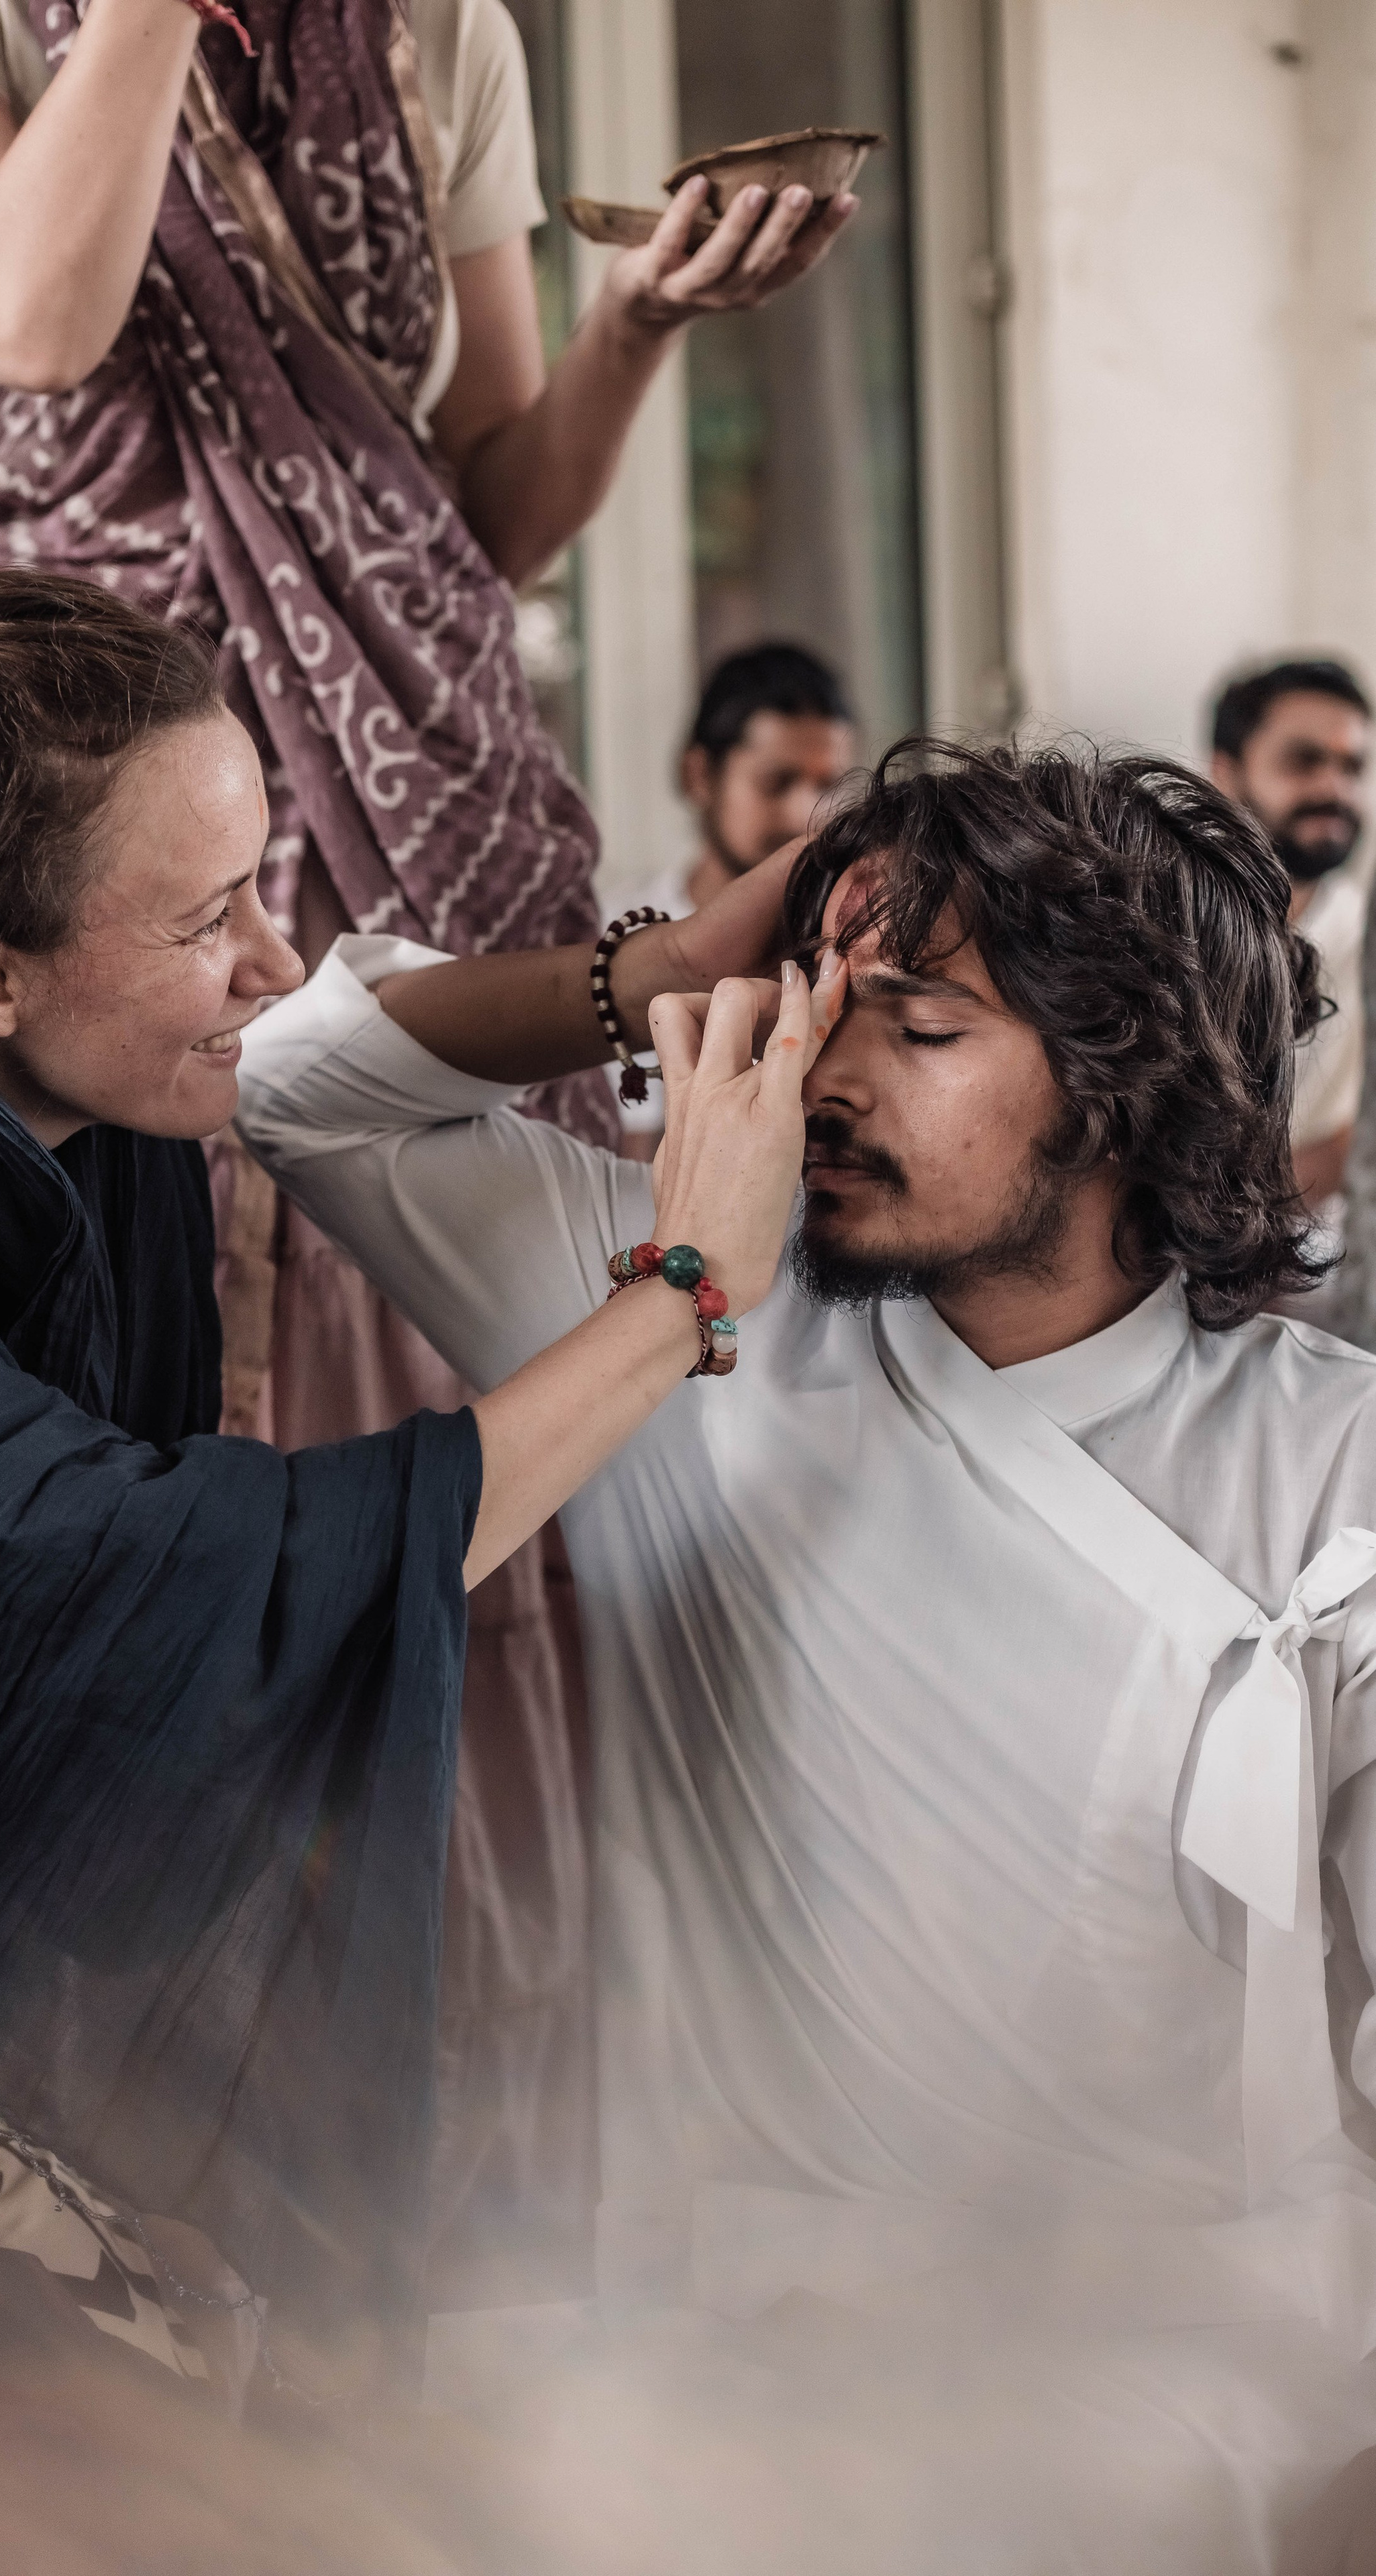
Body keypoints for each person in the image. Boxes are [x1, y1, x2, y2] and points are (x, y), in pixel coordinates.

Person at [0, 562, 834, 2575]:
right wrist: (686, 1284)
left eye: (261, 874)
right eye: (208, 917)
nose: (267, 951)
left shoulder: (39, 1085)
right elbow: (156, 1580)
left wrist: (642, 973)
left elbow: (312, 1034)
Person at [0, 0, 861, 2294]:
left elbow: (478, 509)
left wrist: (631, 326)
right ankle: (151, 2210)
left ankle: (481, 2184)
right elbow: (29, 308)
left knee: (483, 1470)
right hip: (101, 829)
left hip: (423, 809)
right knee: (192, 1462)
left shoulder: (437, 32)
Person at [238, 737, 1376, 2573]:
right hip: (734, 2376)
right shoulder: (676, 1312)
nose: (825, 1076)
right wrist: (676, 966)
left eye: (920, 1032)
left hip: (1213, 2403)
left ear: (1126, 1091)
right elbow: (299, 1085)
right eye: (819, 1005)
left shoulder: (1334, 1465)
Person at [606, 638, 855, 1148]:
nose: (804, 816)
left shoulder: (851, 944)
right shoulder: (611, 935)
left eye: (826, 785)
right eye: (776, 782)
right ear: (698, 775)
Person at [1210, 658, 1372, 1212]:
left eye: (1352, 766)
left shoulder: (1363, 937)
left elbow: (1352, 1151)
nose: (1334, 787)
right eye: (1304, 761)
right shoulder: (1167, 931)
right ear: (1224, 772)